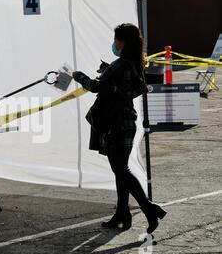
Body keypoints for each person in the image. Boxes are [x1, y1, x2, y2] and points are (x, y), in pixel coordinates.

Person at [72, 23, 167, 234]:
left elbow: (95, 87)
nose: (114, 44)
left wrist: (78, 76)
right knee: (120, 171)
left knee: (121, 170)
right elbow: (135, 90)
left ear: (122, 42)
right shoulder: (135, 64)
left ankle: (149, 209)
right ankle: (122, 214)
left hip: (115, 125)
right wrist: (109, 74)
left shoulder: (120, 64)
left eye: (116, 40)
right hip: (127, 124)